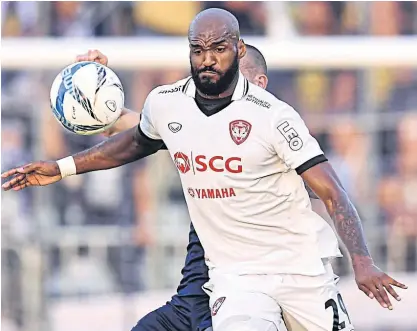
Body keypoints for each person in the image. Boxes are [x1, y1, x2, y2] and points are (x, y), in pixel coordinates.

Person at [2, 8, 407, 331]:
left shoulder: (274, 121)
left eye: (221, 52)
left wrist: (362, 261)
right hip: (229, 281)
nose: (209, 62)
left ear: (247, 64)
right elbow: (142, 130)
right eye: (199, 51)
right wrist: (95, 95)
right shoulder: (177, 108)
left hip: (298, 273)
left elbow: (333, 191)